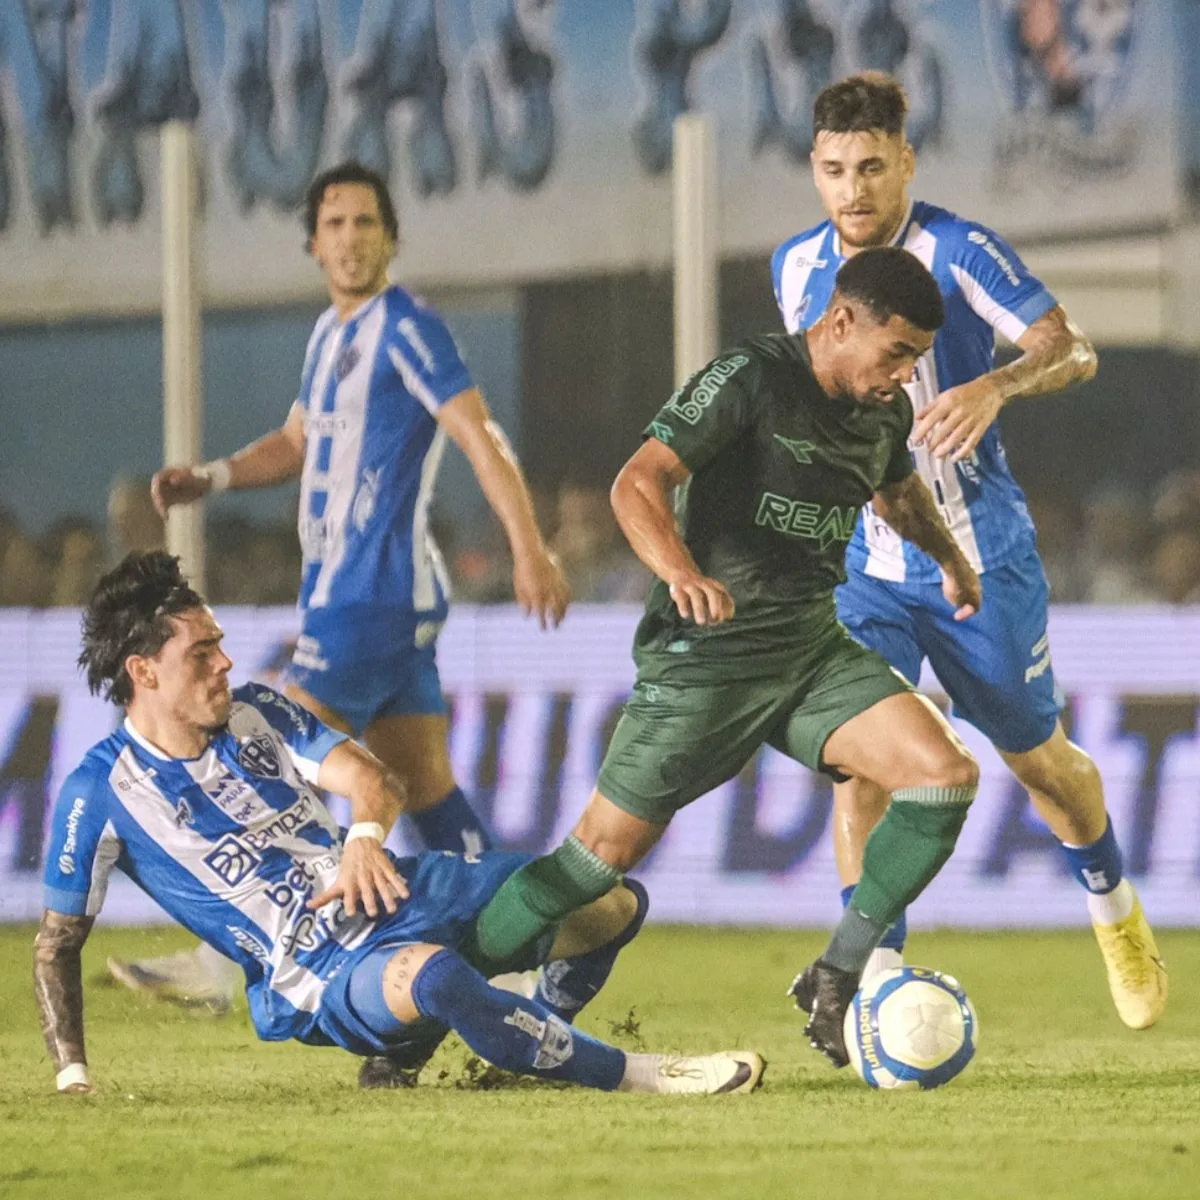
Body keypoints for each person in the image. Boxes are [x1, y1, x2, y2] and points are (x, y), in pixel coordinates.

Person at [459, 246, 986, 1068]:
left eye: (916, 358)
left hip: (810, 652)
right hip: (707, 658)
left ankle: (837, 974)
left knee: (943, 773)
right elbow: (638, 481)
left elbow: (899, 493)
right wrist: (680, 572)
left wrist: (951, 559)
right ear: (841, 321)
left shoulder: (881, 413)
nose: (905, 376)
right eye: (897, 353)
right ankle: (428, 1001)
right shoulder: (750, 376)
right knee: (594, 862)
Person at [107, 162, 570, 1057]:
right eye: (335, 224)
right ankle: (519, 956)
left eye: (365, 222)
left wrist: (529, 547)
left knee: (262, 749)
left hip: (369, 598)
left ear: (389, 237)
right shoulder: (330, 335)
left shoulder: (408, 326)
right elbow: (297, 440)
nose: (350, 238)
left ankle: (220, 964)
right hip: (370, 602)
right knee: (426, 784)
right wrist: (211, 477)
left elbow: (477, 432)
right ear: (314, 244)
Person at [33, 552, 764, 1098]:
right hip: (317, 969)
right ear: (144, 671)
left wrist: (363, 840)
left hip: (393, 890)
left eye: (220, 642)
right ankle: (639, 1074)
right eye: (202, 652)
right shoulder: (99, 792)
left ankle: (530, 1043)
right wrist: (73, 1074)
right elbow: (56, 945)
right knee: (435, 976)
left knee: (608, 902)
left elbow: (374, 780)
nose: (225, 662)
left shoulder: (257, 711)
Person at [772, 72, 1166, 1027]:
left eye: (873, 167)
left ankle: (1113, 906)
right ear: (815, 169)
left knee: (1043, 767)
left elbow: (1071, 348)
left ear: (907, 162)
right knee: (864, 765)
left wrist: (996, 386)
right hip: (867, 562)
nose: (854, 189)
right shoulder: (793, 266)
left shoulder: (957, 250)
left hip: (979, 556)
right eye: (835, 169)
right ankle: (872, 982)